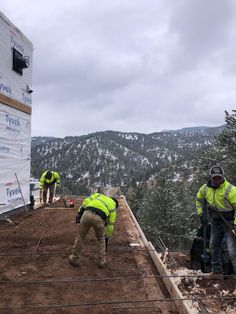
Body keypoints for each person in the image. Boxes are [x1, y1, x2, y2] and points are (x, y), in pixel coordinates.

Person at [196, 165, 236, 278]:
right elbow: (199, 200)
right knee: (213, 245)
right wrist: (201, 214)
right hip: (216, 221)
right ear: (210, 177)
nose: (216, 180)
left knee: (233, 252)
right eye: (214, 178)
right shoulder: (205, 188)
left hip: (229, 222)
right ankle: (217, 271)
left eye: (219, 178)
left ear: (223, 177)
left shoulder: (231, 190)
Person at [69, 193, 118, 268]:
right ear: (115, 204)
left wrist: (79, 213)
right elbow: (110, 225)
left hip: (87, 214)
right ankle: (101, 261)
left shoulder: (98, 195)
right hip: (99, 218)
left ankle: (75, 258)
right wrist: (107, 238)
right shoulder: (113, 207)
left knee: (80, 237)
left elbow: (85, 201)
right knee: (101, 239)